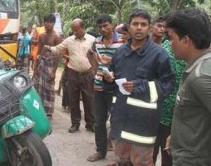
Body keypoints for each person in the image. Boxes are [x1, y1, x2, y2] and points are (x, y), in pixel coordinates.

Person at [104, 9, 175, 166]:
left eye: (143, 24)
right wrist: (109, 79)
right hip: (120, 119)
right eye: (135, 24)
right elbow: (112, 79)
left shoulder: (159, 54)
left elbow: (168, 84)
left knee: (142, 163)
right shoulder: (120, 52)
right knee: (122, 161)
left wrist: (139, 86)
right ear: (128, 27)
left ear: (149, 28)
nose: (139, 28)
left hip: (143, 125)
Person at [165, 9, 211, 166]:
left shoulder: (201, 76)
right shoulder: (198, 66)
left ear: (185, 40)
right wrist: (177, 136)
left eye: (171, 38)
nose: (169, 44)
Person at [46, 18, 96, 133]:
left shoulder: (92, 40)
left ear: (83, 28)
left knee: (89, 100)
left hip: (88, 74)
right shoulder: (69, 40)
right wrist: (48, 48)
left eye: (76, 30)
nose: (74, 32)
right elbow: (58, 49)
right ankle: (75, 124)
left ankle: (90, 124)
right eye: (73, 30)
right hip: (73, 74)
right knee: (73, 100)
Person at [87, 15, 124, 162]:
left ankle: (120, 155)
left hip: (116, 87)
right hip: (99, 85)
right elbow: (90, 54)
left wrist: (115, 73)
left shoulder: (123, 40)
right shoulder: (97, 41)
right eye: (100, 26)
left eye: (106, 25)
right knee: (99, 120)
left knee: (118, 120)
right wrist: (95, 69)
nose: (103, 29)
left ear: (112, 25)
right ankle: (101, 151)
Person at [152, 25, 186, 166]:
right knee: (157, 153)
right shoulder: (162, 52)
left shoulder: (190, 57)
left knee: (166, 154)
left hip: (173, 116)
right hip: (160, 112)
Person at [33, 14, 62, 120]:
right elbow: (39, 53)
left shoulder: (57, 36)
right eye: (46, 22)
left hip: (51, 63)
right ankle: (40, 108)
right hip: (42, 63)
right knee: (39, 87)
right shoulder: (42, 36)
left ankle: (49, 112)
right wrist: (35, 67)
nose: (48, 24)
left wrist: (54, 71)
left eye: (51, 22)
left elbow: (58, 55)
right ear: (44, 23)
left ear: (54, 23)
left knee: (49, 88)